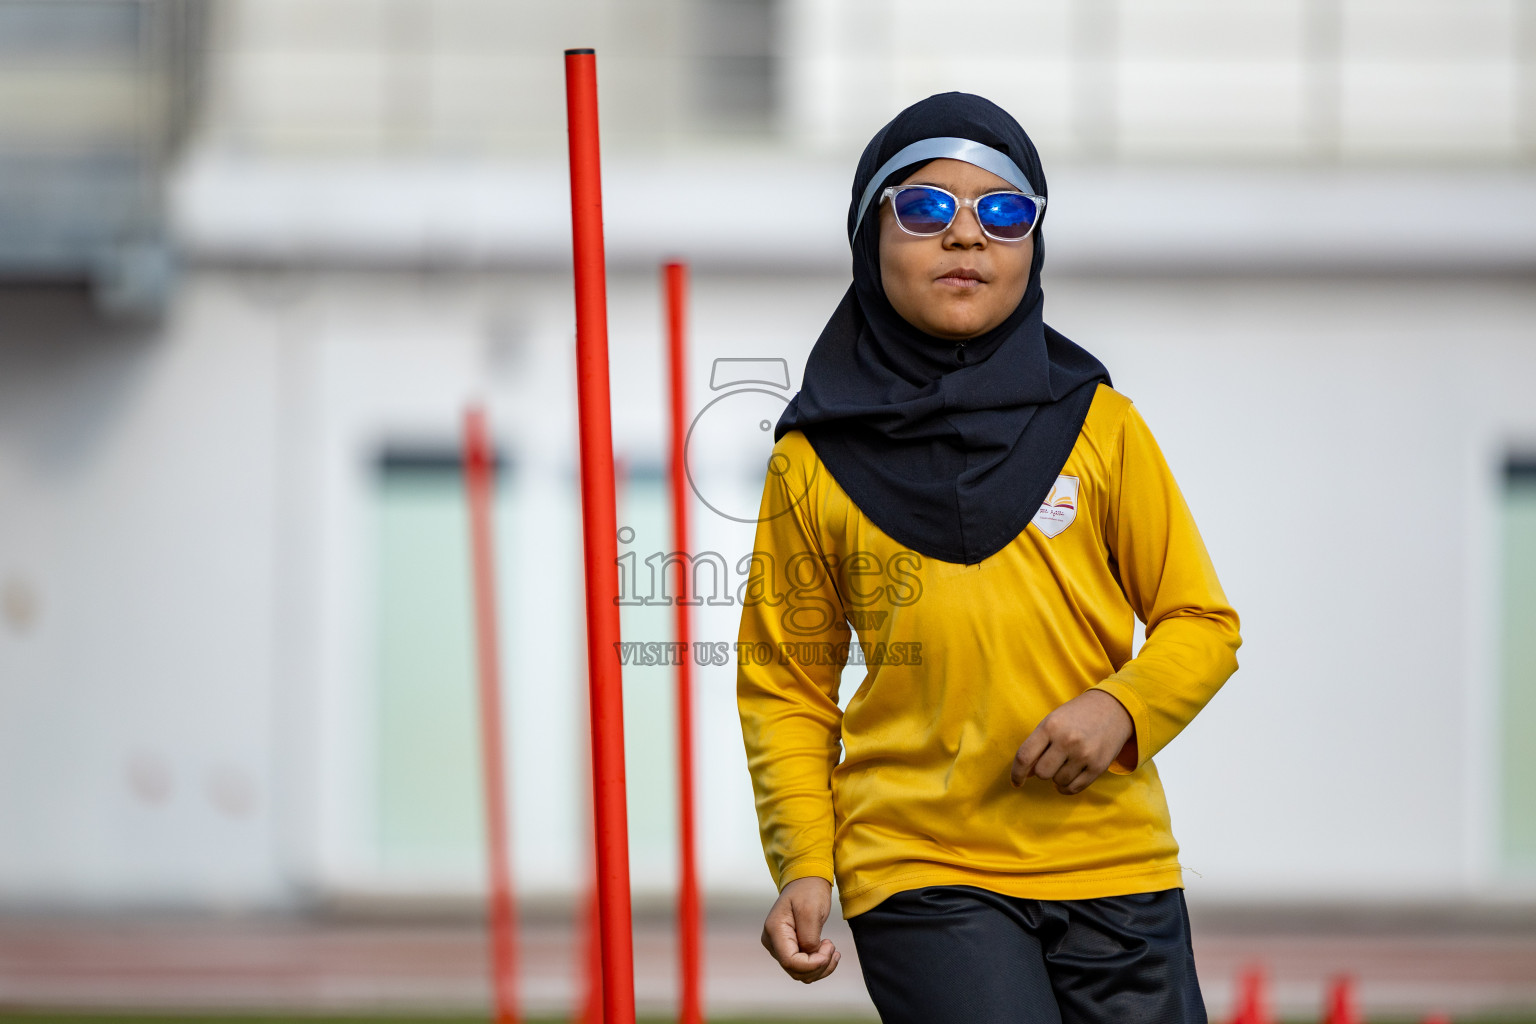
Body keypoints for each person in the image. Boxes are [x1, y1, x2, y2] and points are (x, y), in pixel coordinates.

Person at [735, 92, 1241, 1023]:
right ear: (866, 235)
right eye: (926, 208)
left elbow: (1201, 625)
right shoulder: (810, 461)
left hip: (1114, 860)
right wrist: (805, 858)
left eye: (1004, 211)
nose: (966, 236)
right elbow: (786, 686)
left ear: (1034, 246)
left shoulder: (1103, 426)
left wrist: (1119, 707)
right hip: (918, 864)